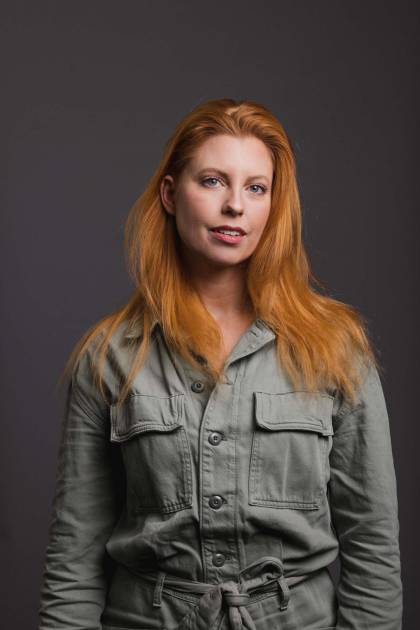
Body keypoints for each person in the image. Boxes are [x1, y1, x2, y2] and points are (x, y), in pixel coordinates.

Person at [38, 98, 403, 630]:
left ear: (274, 205)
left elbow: (372, 545)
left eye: (256, 188)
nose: (235, 205)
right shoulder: (111, 354)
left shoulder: (335, 348)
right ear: (170, 194)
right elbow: (73, 557)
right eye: (212, 181)